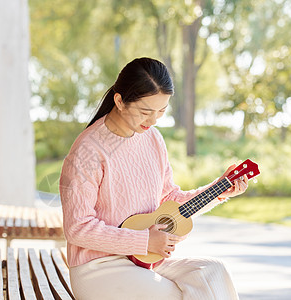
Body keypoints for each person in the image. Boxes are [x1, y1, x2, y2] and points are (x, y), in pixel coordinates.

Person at [59, 57, 248, 300]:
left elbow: (170, 199)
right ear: (120, 101)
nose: (153, 120)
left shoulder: (153, 139)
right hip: (99, 267)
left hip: (146, 261)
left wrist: (220, 189)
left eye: (161, 111)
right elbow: (77, 228)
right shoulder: (88, 150)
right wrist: (144, 240)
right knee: (176, 296)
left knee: (212, 273)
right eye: (145, 111)